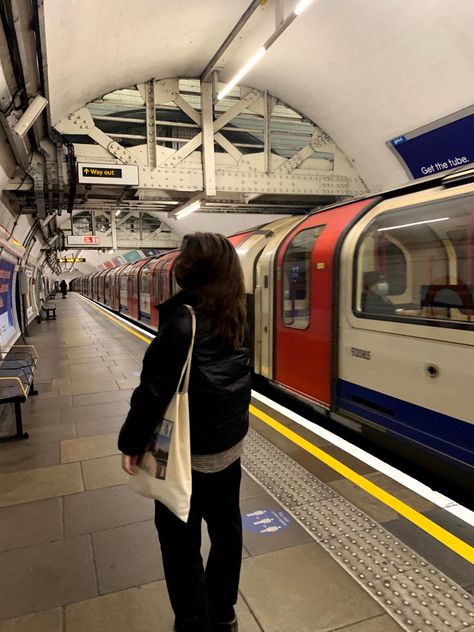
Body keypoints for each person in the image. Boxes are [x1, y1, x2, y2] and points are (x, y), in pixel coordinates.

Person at [118, 233, 251, 632]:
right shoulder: (240, 311)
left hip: (184, 454)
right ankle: (223, 614)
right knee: (227, 532)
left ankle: (193, 620)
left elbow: (153, 392)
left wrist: (131, 443)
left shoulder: (182, 320)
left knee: (179, 540)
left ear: (191, 270)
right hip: (228, 446)